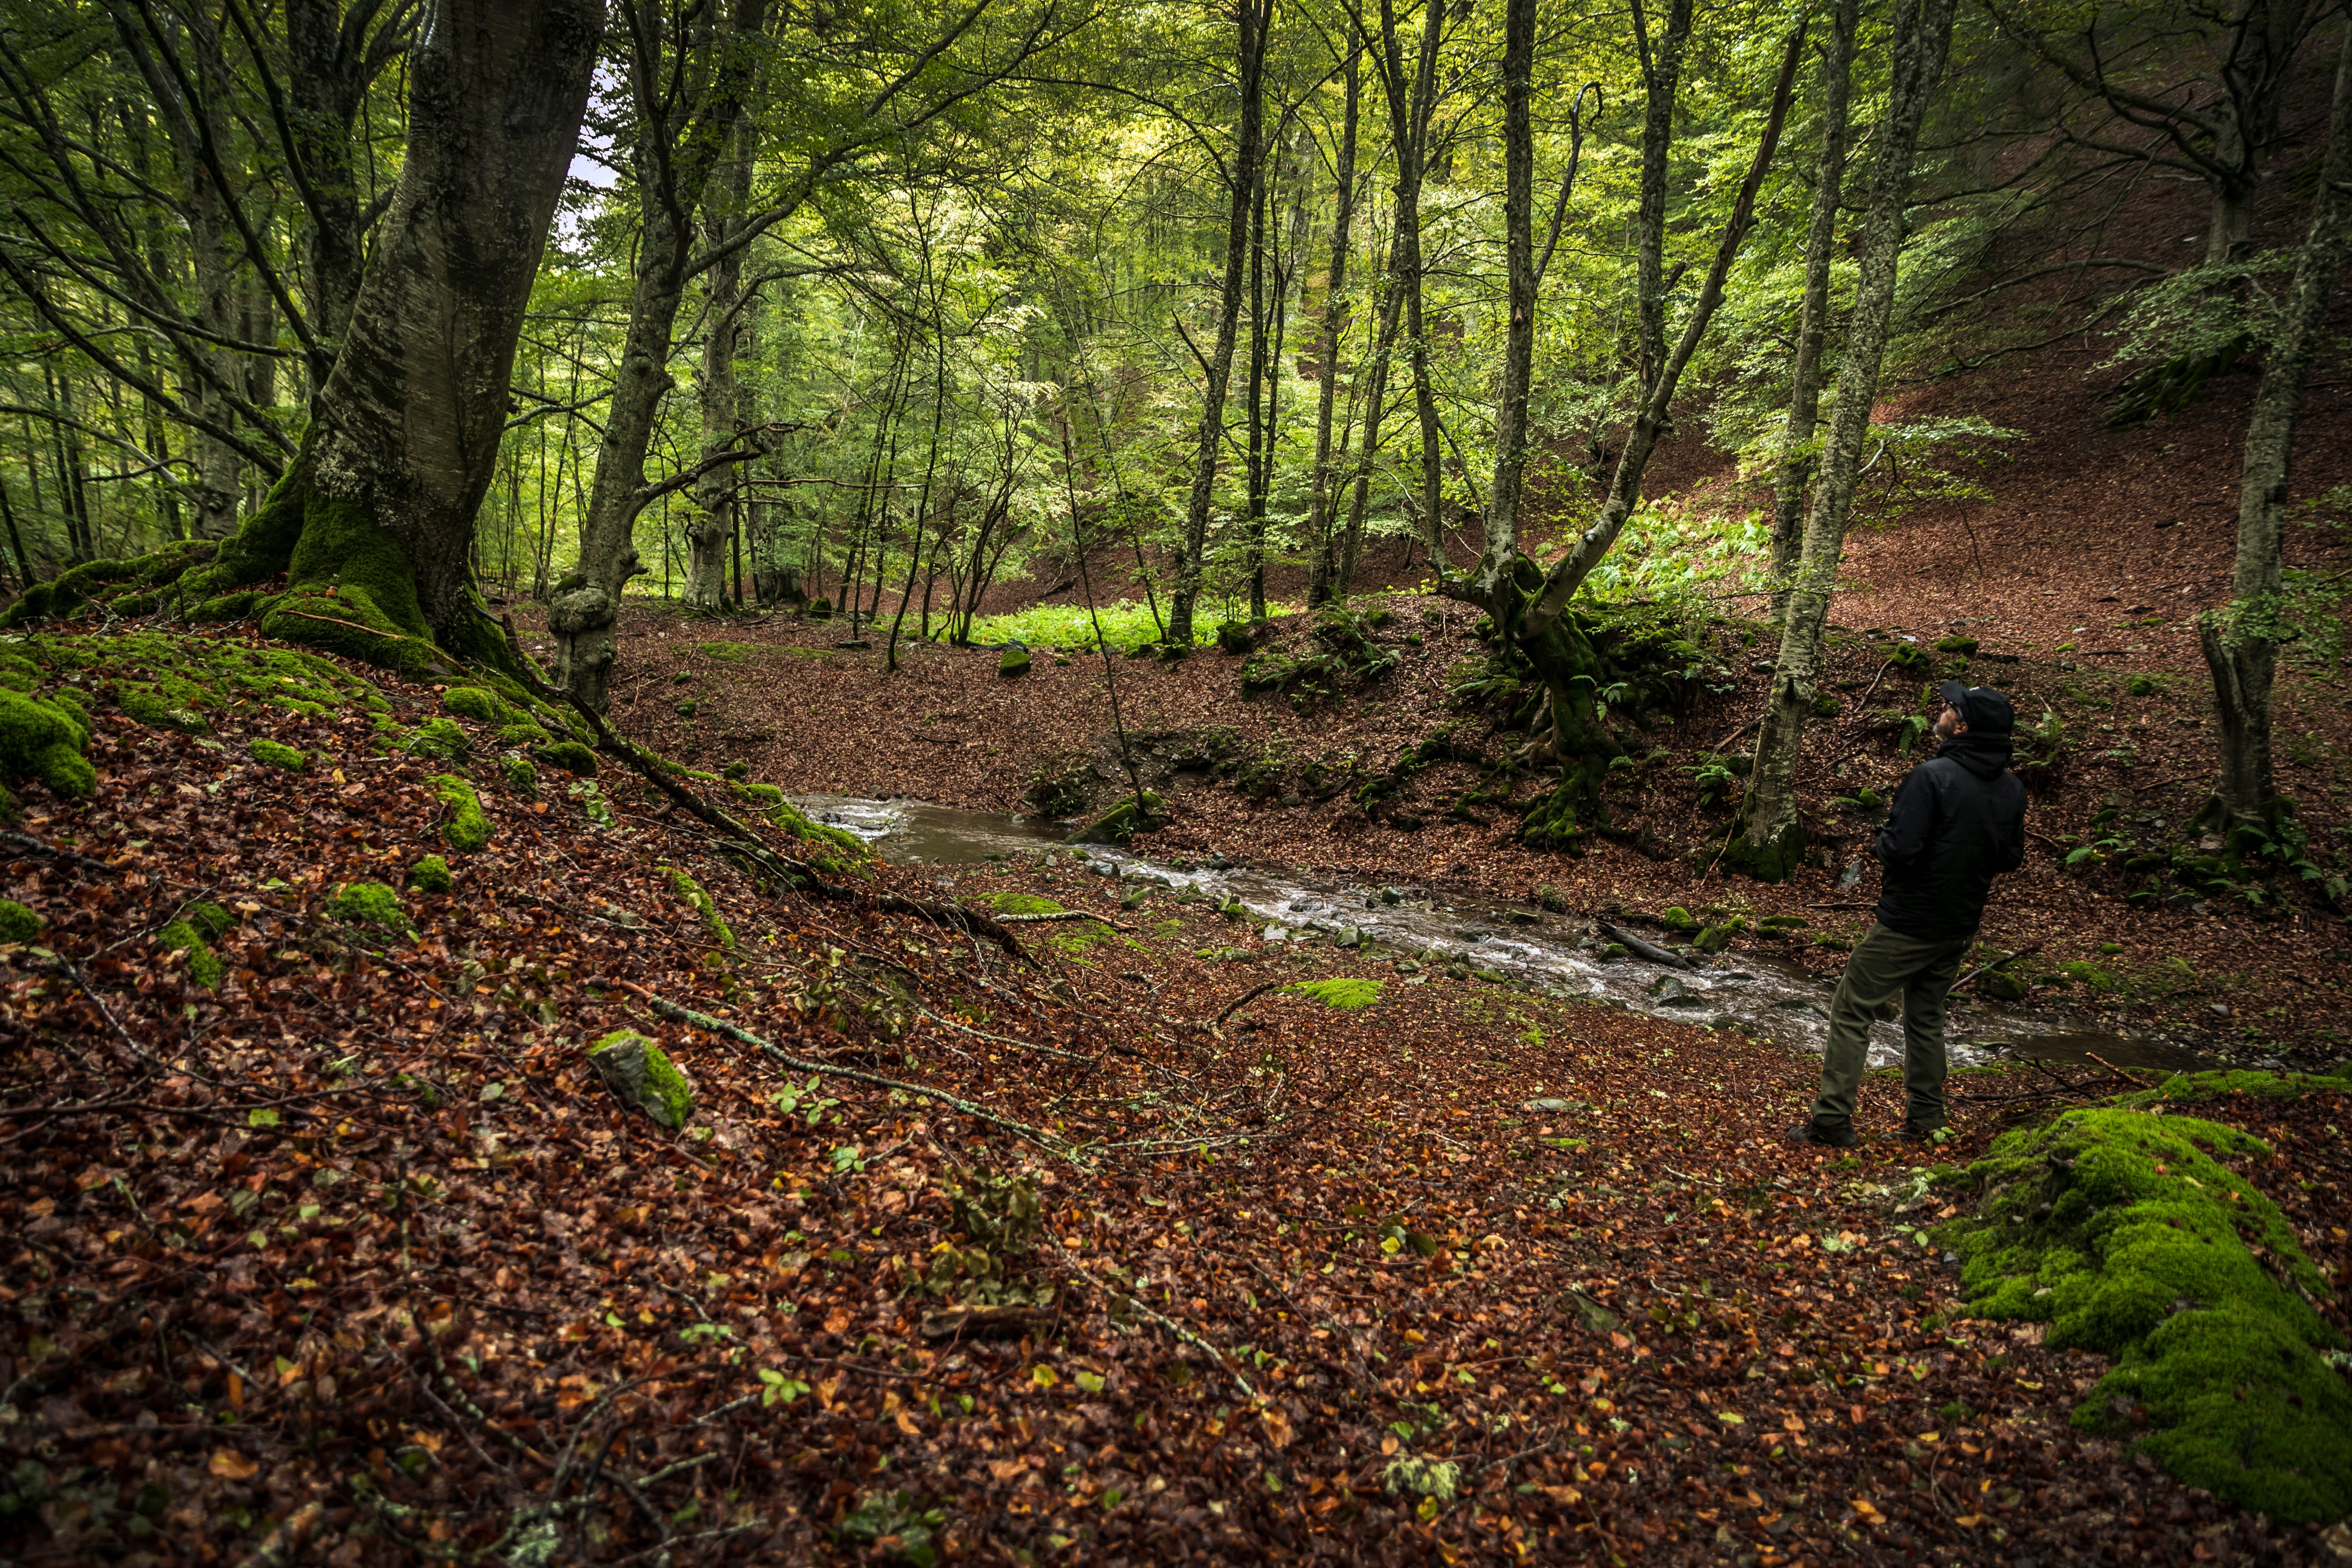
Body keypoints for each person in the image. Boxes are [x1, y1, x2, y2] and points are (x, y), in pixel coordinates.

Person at [1788, 681, 2028, 1148]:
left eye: (1950, 708)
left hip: (1910, 920)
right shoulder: (2011, 788)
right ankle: (1927, 1119)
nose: (1941, 710)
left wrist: (1882, 838)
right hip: (1958, 924)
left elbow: (1900, 850)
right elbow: (2009, 858)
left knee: (1853, 1004)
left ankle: (1833, 1119)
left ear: (1964, 725)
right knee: (1926, 1015)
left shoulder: (1932, 776)